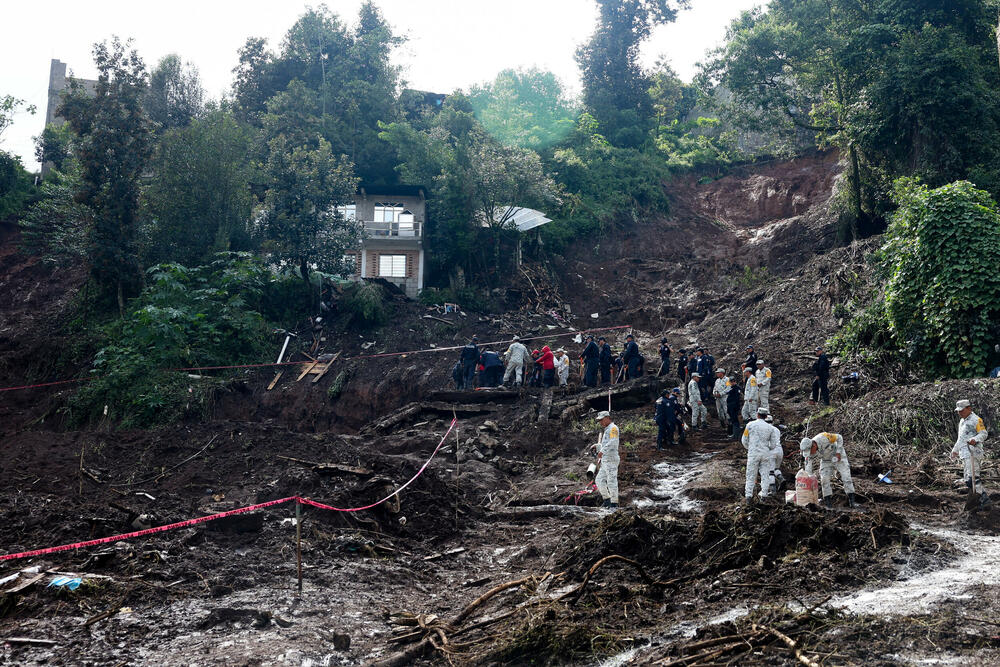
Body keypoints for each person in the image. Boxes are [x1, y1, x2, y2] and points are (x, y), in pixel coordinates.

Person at [950, 399, 990, 508]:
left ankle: (984, 501)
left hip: (973, 452)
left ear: (969, 408)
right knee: (968, 479)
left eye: (961, 410)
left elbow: (983, 434)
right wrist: (955, 450)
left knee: (973, 478)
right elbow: (961, 438)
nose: (959, 413)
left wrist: (975, 439)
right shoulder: (962, 422)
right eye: (958, 411)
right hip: (964, 453)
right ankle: (977, 500)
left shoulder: (976, 420)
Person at [803, 432, 856, 508]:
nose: (810, 454)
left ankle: (852, 502)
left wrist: (838, 452)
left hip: (838, 457)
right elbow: (808, 466)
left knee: (846, 477)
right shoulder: (808, 453)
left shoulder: (824, 437)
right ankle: (828, 505)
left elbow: (839, 437)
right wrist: (809, 477)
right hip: (826, 460)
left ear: (813, 446)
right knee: (824, 480)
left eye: (810, 451)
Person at [742, 407, 780, 502]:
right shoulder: (770, 428)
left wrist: (750, 448)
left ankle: (749, 497)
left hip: (753, 453)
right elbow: (773, 445)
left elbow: (744, 440)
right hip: (765, 454)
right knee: (765, 475)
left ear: (757, 415)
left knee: (751, 475)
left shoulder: (750, 425)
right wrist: (767, 448)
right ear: (766, 416)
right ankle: (764, 496)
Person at [590, 411, 620, 508]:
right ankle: (607, 500)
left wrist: (602, 451)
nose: (600, 423)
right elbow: (607, 443)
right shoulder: (607, 429)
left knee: (611, 481)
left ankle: (614, 503)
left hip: (611, 459)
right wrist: (597, 446)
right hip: (605, 460)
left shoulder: (613, 428)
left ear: (607, 418)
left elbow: (614, 442)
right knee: (599, 480)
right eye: (599, 421)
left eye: (601, 420)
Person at [764, 415, 784, 489]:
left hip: (771, 451)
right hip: (780, 451)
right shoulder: (776, 429)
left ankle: (772, 490)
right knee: (776, 468)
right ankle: (781, 478)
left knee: (770, 472)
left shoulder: (765, 429)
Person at [726, 374, 743, 441]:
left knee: (735, 421)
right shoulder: (733, 388)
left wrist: (734, 407)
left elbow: (736, 399)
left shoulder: (736, 389)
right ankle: (734, 434)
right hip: (731, 407)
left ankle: (736, 435)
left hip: (733, 407)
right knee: (733, 421)